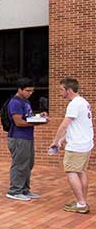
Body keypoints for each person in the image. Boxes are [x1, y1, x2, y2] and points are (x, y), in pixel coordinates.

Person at [48, 78, 93, 214]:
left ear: (69, 90)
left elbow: (64, 125)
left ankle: (81, 204)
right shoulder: (83, 102)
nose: (59, 92)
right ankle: (82, 201)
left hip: (76, 146)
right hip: (86, 144)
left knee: (71, 171)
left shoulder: (74, 104)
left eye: (61, 89)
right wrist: (62, 139)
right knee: (81, 171)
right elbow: (76, 126)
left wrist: (55, 141)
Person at [6, 78, 43, 201]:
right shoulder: (15, 102)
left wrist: (39, 117)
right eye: (28, 90)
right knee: (20, 164)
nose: (30, 93)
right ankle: (14, 191)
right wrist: (38, 123)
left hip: (27, 137)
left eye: (32, 91)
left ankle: (24, 190)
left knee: (28, 164)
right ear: (20, 89)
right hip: (18, 138)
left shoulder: (26, 102)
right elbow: (19, 122)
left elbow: (28, 117)